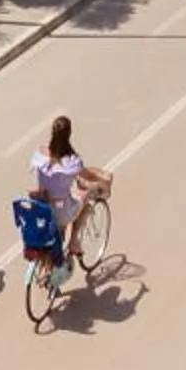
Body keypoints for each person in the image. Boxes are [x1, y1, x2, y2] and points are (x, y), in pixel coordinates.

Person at [29, 115, 113, 290]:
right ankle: (74, 242)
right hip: (61, 210)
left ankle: (50, 267)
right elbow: (88, 175)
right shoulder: (72, 161)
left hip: (41, 208)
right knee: (85, 203)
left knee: (57, 228)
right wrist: (105, 177)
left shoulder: (39, 153)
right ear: (69, 134)